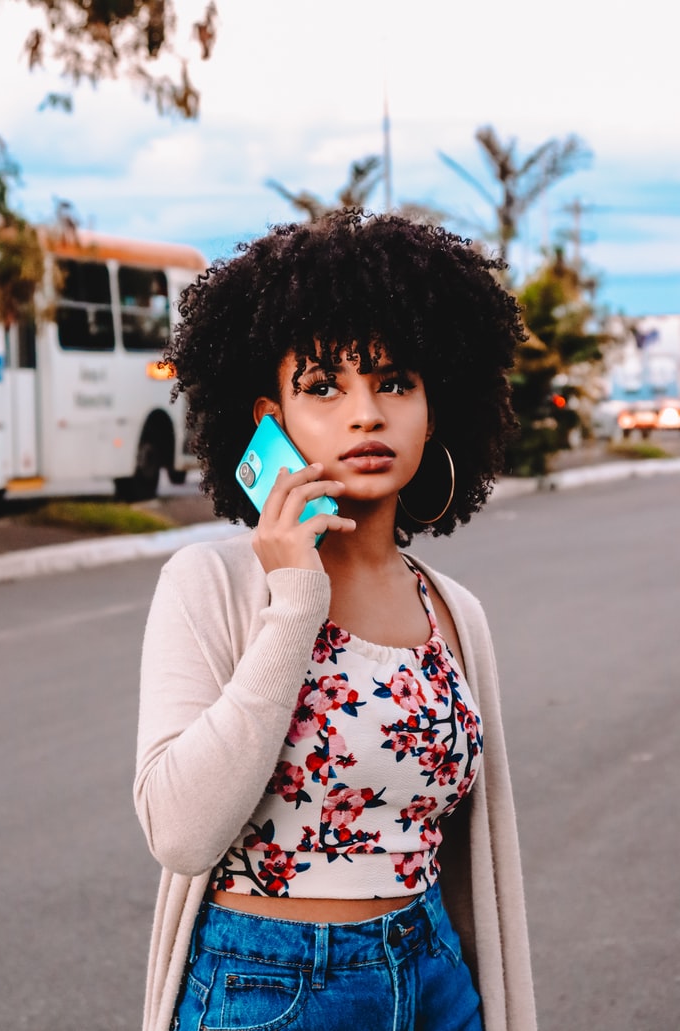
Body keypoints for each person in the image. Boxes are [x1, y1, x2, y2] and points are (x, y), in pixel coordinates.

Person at [134, 210, 538, 1031]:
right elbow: (179, 832)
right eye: (323, 386)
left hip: (434, 977)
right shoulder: (211, 582)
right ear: (268, 420)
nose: (365, 414)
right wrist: (294, 602)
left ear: (434, 407)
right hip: (272, 987)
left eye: (394, 382)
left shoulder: (453, 609)